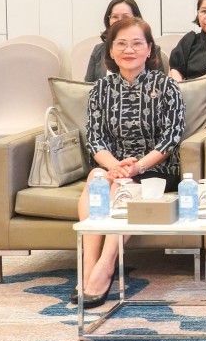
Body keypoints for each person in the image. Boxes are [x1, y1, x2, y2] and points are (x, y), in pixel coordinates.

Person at [76, 17, 186, 309]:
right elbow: (95, 139)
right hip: (114, 168)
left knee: (121, 186)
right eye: (121, 44)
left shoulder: (166, 85)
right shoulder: (100, 89)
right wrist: (115, 166)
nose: (129, 50)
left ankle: (106, 266)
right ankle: (88, 265)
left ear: (149, 49)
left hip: (156, 170)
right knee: (97, 179)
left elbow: (172, 137)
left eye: (137, 43)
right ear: (111, 51)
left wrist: (137, 167)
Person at [84, 0, 166, 82]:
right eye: (115, 17)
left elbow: (159, 83)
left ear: (136, 19)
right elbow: (88, 85)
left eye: (125, 17)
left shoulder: (151, 49)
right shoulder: (99, 50)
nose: (119, 21)